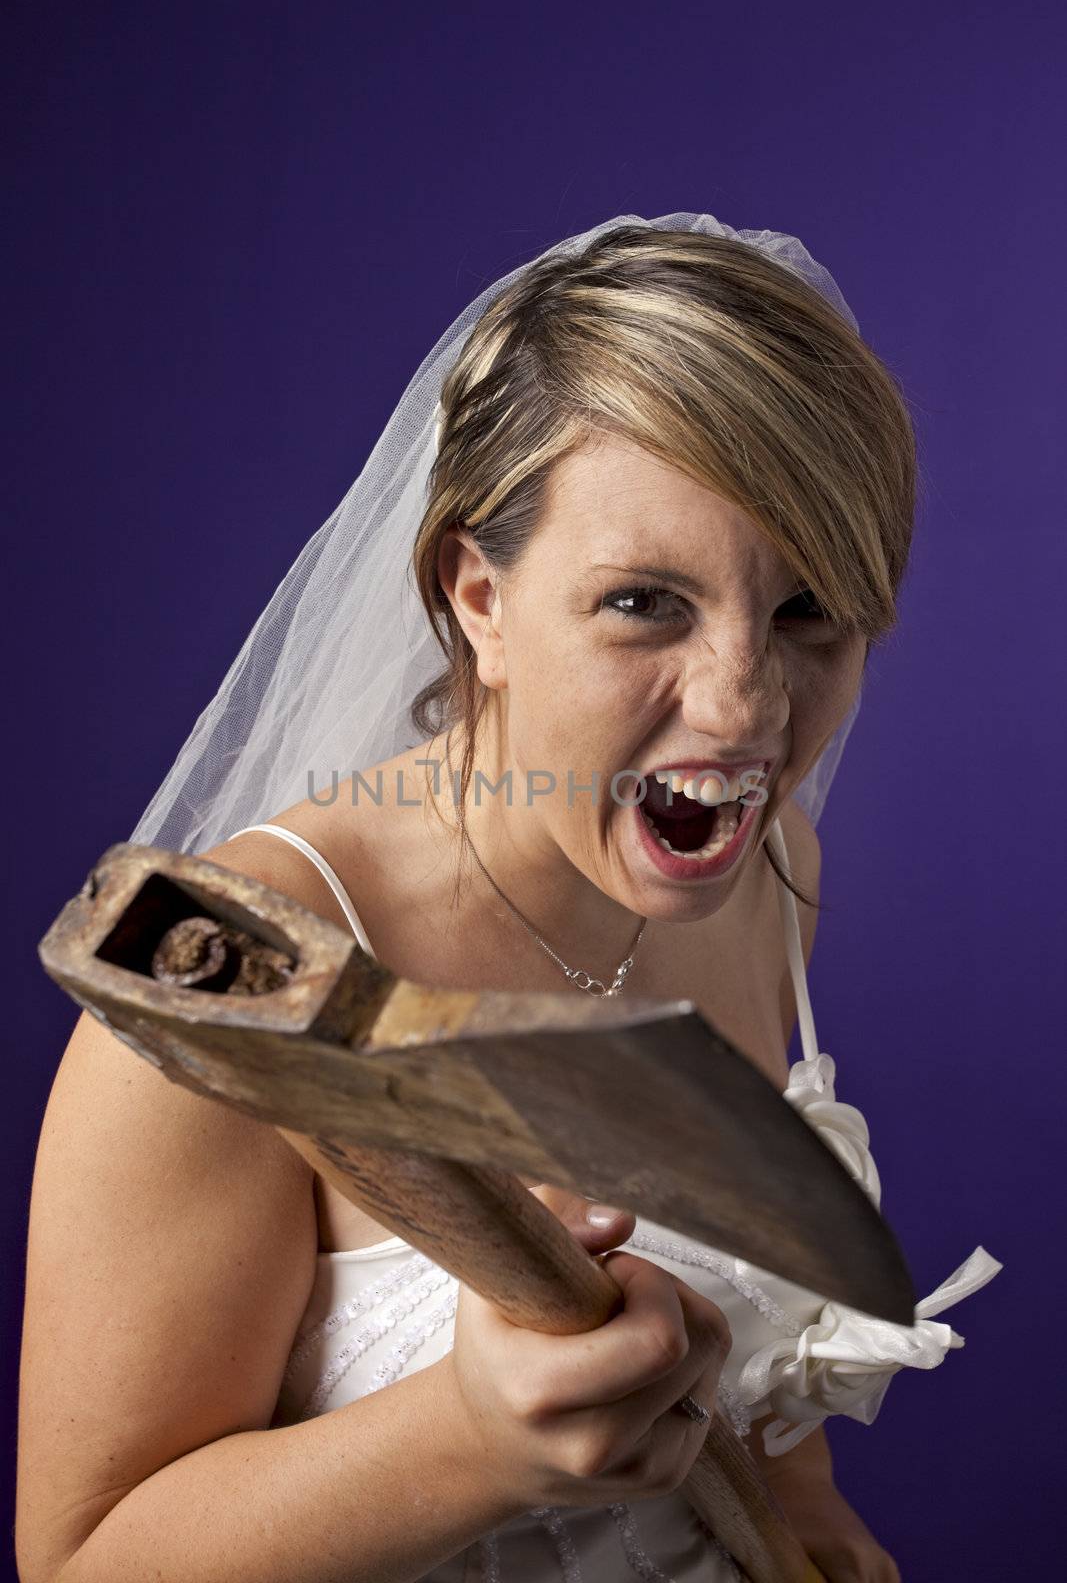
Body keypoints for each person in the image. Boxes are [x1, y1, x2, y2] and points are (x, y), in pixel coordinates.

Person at [17, 212, 1002, 1583]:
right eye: (646, 603)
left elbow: (750, 1347)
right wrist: (470, 1442)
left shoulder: (767, 882)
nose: (744, 708)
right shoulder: (222, 978)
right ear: (478, 593)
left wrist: (809, 1509)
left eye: (808, 615)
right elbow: (81, 1566)